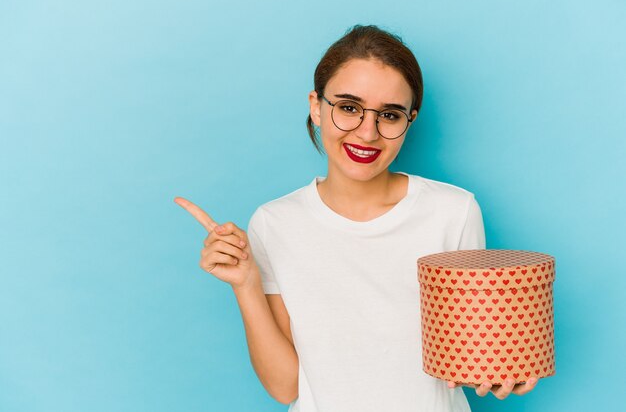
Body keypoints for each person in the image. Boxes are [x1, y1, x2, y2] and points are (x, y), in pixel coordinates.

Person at [174, 25, 539, 412]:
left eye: (390, 114)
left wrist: (500, 372)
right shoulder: (274, 223)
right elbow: (285, 388)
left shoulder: (453, 211)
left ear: (409, 121)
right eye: (349, 107)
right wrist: (245, 284)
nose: (367, 133)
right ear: (316, 107)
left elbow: (472, 354)